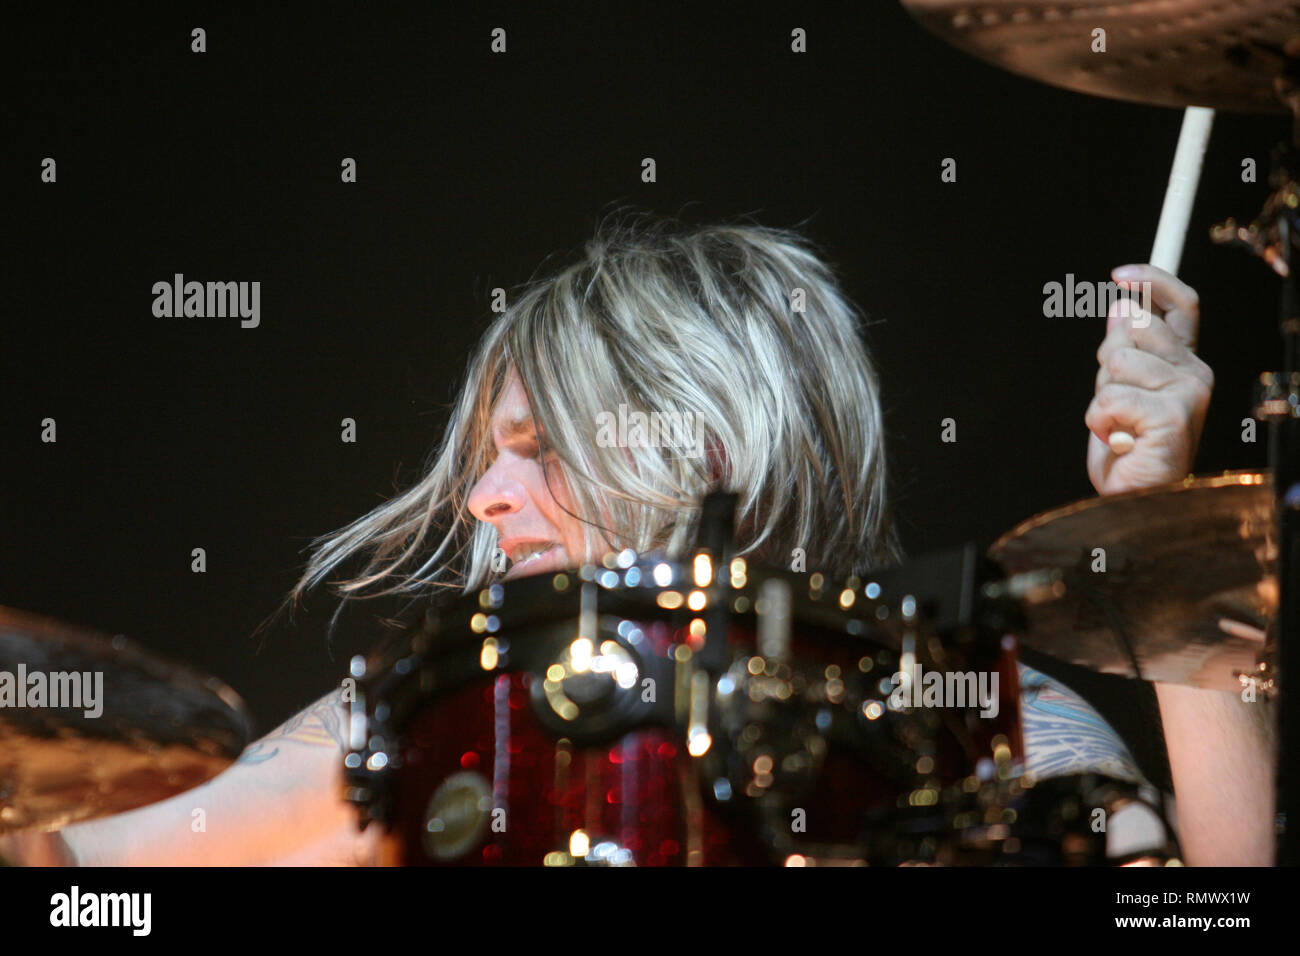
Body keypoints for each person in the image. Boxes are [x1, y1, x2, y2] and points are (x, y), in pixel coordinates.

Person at [2, 213, 1272, 865]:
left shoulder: (966, 709)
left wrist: (1161, 531)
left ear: (707, 440)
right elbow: (90, 874)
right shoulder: (449, 717)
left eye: (539, 447)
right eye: (486, 460)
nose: (484, 499)